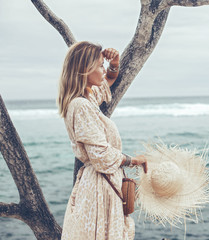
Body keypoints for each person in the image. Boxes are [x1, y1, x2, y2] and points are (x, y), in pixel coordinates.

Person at [57, 41, 147, 240]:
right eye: (99, 65)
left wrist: (114, 63)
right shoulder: (80, 105)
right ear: (84, 69)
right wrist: (134, 160)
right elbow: (101, 156)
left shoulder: (86, 99)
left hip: (101, 184)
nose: (103, 69)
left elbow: (108, 81)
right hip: (99, 186)